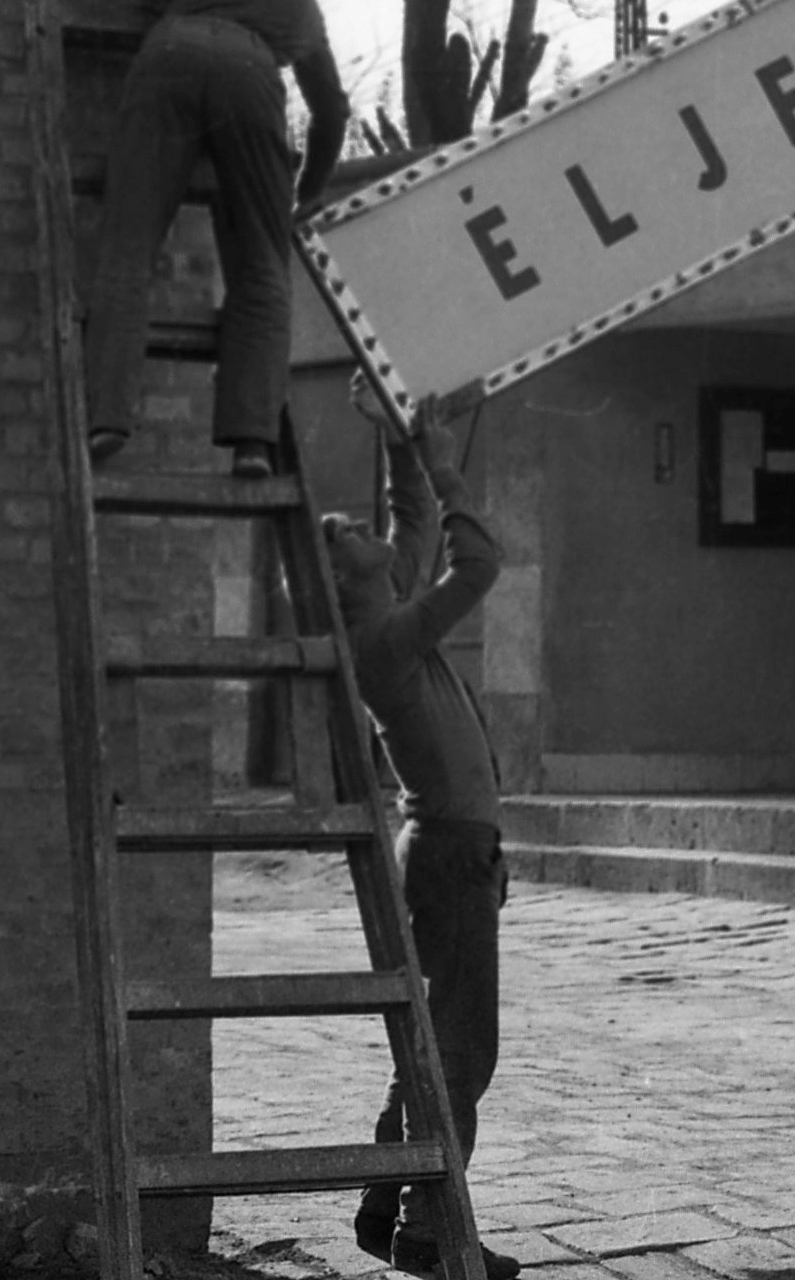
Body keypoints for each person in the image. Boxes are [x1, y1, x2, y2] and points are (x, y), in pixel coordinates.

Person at [324, 386, 517, 1280]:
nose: (342, 521)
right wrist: (443, 457)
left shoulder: (380, 611)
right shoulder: (384, 639)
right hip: (447, 852)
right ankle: (435, 1232)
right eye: (336, 535)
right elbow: (475, 563)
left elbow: (408, 527)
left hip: (446, 847)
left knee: (433, 1043)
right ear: (348, 580)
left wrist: (399, 437)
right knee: (463, 1051)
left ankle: (386, 1200)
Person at [81, 0, 346, 478]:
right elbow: (332, 111)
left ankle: (106, 418)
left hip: (170, 57)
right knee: (260, 270)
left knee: (128, 248)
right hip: (252, 81)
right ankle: (252, 441)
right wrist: (308, 192)